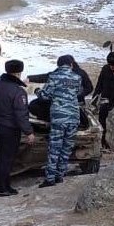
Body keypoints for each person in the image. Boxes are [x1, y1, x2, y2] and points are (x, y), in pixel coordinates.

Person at [0, 59, 36, 197]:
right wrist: (29, 132)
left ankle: (5, 186)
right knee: (8, 159)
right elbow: (21, 115)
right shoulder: (18, 92)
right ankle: (1, 188)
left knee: (2, 157)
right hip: (11, 130)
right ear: (19, 73)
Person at [36, 55, 82, 188]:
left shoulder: (54, 77)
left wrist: (38, 91)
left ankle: (50, 179)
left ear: (58, 64)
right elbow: (79, 93)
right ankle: (60, 176)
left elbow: (45, 95)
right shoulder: (77, 77)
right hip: (74, 116)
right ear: (71, 64)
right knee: (66, 148)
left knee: (55, 148)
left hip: (59, 117)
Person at [27, 56, 93, 124]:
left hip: (67, 104)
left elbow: (44, 94)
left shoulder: (66, 73)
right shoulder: (79, 74)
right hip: (74, 104)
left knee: (34, 104)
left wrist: (37, 90)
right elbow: (89, 88)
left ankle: (47, 122)